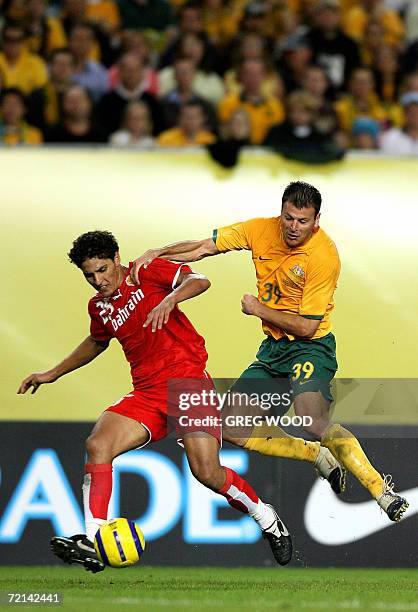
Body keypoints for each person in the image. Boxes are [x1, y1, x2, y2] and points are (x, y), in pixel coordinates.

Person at [130, 180, 408, 523]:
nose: (293, 227)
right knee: (231, 426)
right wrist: (156, 253)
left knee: (312, 419)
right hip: (274, 350)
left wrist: (259, 309)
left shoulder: (323, 256)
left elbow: (307, 327)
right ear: (281, 213)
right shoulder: (260, 230)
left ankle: (382, 491)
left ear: (317, 219)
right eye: (289, 218)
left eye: (302, 221)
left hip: (311, 347)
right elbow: (202, 247)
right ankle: (318, 457)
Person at [17, 230, 292, 572]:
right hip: (147, 393)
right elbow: (97, 341)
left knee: (206, 472)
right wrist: (52, 373)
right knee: (98, 444)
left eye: (102, 269)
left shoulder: (144, 271)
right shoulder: (99, 306)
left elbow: (200, 280)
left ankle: (266, 517)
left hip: (188, 381)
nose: (97, 280)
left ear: (117, 257)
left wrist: (170, 299)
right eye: (89, 275)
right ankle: (94, 539)